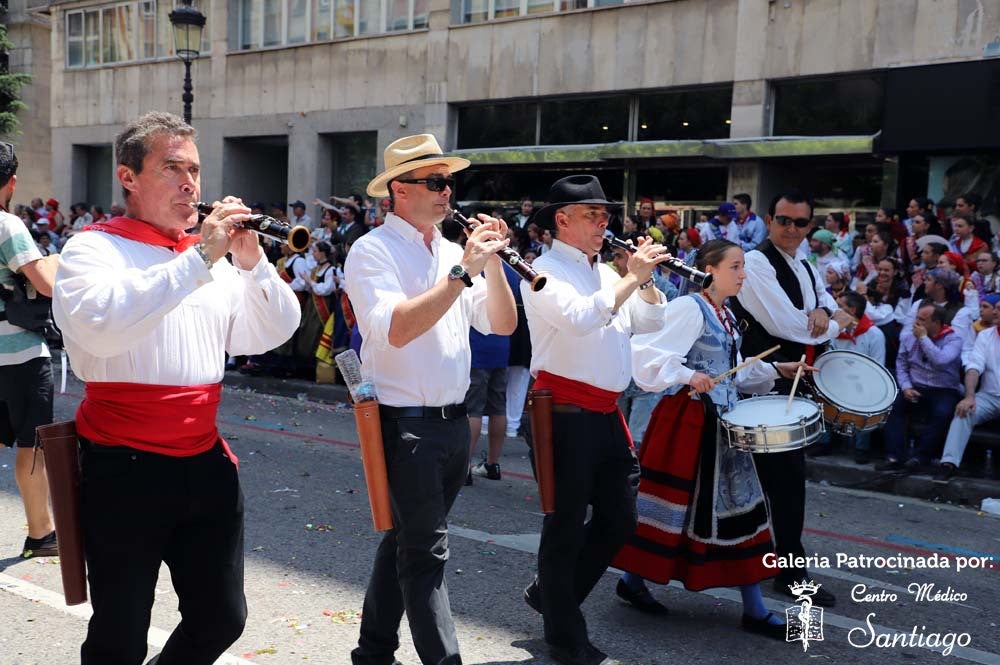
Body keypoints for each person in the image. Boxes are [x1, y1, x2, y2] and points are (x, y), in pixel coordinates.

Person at [52, 111, 301, 665]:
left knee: (222, 618)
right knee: (120, 630)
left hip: (205, 459)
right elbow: (101, 323)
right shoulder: (92, 250)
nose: (190, 183)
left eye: (194, 169)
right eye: (171, 168)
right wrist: (201, 257)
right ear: (129, 177)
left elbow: (271, 331)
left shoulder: (205, 258)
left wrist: (252, 260)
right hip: (123, 464)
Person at [345, 134, 516, 665]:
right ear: (399, 189)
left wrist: (494, 265)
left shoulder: (451, 251)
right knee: (426, 554)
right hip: (403, 424)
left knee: (406, 543)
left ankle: (372, 651)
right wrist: (463, 271)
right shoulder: (371, 250)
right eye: (435, 182)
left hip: (450, 422)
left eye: (449, 182)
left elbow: (503, 323)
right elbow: (396, 329)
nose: (448, 192)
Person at [613, 239, 810, 639]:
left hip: (720, 424)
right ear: (710, 269)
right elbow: (644, 354)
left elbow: (732, 371)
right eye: (735, 267)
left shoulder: (726, 313)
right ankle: (634, 580)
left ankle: (751, 607)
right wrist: (687, 376)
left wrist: (778, 369)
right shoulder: (689, 308)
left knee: (736, 510)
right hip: (688, 421)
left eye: (742, 266)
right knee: (676, 510)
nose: (743, 274)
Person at [520, 174, 670, 665]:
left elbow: (651, 322)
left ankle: (552, 597)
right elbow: (582, 318)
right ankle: (565, 636)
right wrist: (630, 277)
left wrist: (639, 278)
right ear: (562, 221)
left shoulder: (608, 271)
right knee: (563, 526)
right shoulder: (540, 269)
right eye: (592, 214)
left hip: (605, 412)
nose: (604, 222)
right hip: (562, 411)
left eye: (606, 214)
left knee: (619, 519)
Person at [728, 190, 852, 608]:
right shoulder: (758, 263)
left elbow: (829, 306)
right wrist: (830, 320)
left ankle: (777, 566)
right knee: (776, 482)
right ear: (768, 219)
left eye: (801, 223)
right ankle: (788, 573)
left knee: (779, 483)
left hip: (788, 387)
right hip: (760, 386)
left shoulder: (803, 263)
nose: (792, 229)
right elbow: (794, 327)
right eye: (785, 221)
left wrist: (826, 313)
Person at [0, 141, 58, 559]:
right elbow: (45, 284)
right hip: (18, 353)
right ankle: (41, 533)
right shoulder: (8, 226)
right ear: (12, 181)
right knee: (31, 444)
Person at [876, 303, 963, 472]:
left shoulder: (953, 339)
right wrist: (906, 387)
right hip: (916, 386)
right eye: (916, 317)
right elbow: (901, 364)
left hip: (944, 388)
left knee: (942, 413)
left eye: (922, 319)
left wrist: (923, 339)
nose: (916, 322)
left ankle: (920, 458)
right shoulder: (909, 337)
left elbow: (941, 361)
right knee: (893, 407)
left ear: (936, 323)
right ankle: (894, 456)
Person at [813, 291, 886, 464]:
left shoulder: (874, 334)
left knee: (867, 397)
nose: (834, 311)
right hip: (839, 378)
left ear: (852, 310)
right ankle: (824, 441)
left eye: (840, 307)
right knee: (820, 388)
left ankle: (861, 447)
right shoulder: (835, 331)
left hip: (865, 382)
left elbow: (878, 368)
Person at [935, 305, 1000, 482]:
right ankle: (948, 464)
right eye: (995, 309)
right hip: (989, 396)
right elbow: (974, 367)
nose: (994, 312)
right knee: (963, 412)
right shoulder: (986, 335)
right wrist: (970, 396)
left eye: (999, 309)